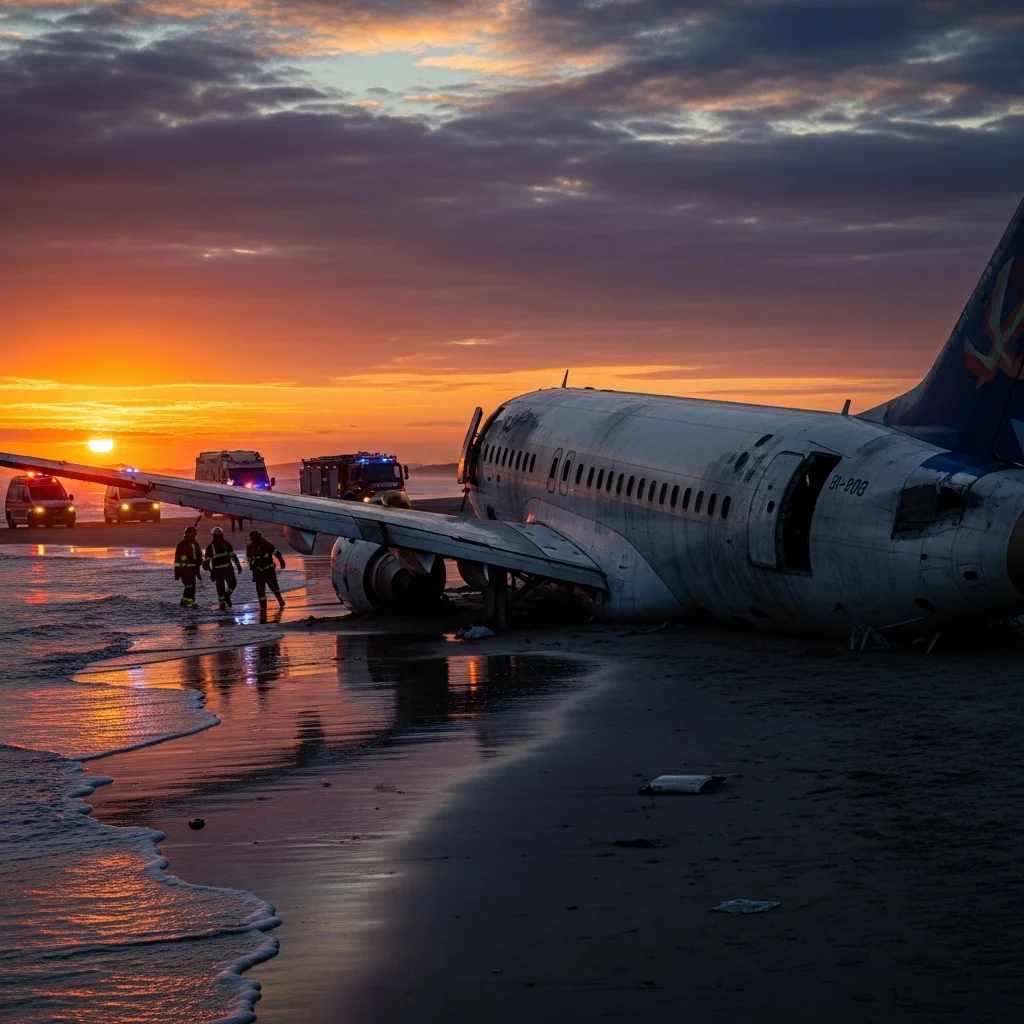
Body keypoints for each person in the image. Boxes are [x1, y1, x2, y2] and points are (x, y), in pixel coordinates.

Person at [246, 528, 286, 610]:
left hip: (266, 571)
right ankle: (267, 605)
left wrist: (282, 561)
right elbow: (250, 562)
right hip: (262, 572)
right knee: (266, 589)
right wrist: (281, 561)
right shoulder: (251, 547)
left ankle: (275, 602)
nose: (254, 541)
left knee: (270, 588)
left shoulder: (265, 545)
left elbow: (276, 553)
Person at [204, 526, 242, 610]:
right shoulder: (226, 544)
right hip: (228, 569)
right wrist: (238, 566)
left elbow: (205, 563)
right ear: (222, 535)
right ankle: (226, 596)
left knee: (220, 588)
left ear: (213, 535)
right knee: (232, 584)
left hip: (218, 571)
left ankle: (223, 605)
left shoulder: (210, 547)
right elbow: (233, 556)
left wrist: (211, 572)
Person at [173, 525, 203, 609]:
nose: (193, 536)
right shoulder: (182, 544)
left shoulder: (195, 544)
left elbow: (199, 557)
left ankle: (189, 601)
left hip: (192, 570)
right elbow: (177, 559)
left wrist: (198, 570)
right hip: (184, 570)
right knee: (189, 586)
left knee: (192, 586)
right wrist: (177, 573)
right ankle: (186, 601)